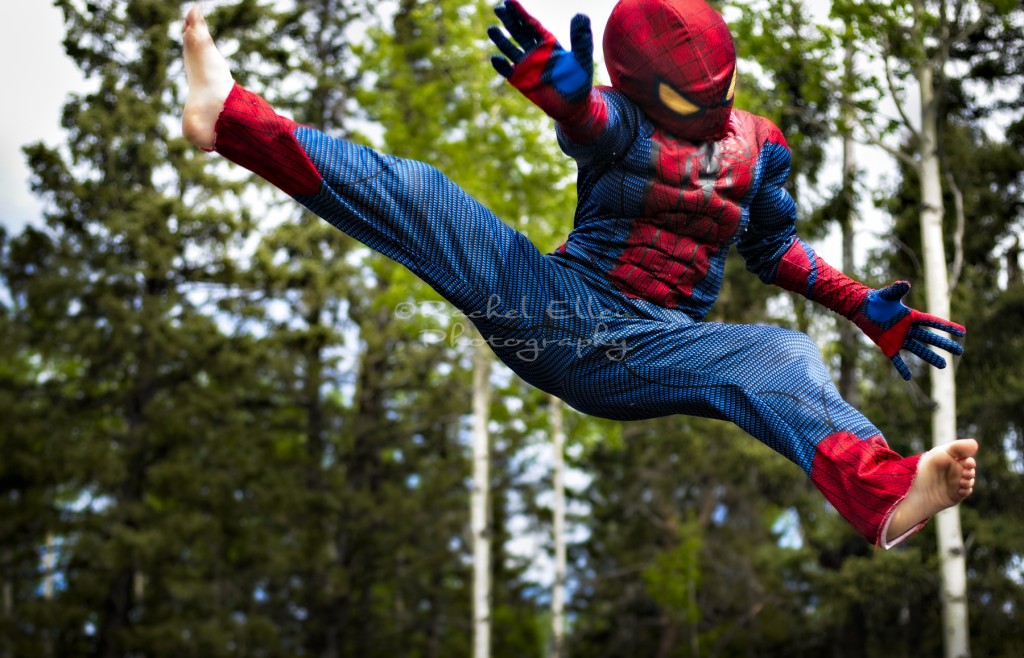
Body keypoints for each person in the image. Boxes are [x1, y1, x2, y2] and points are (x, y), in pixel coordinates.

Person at [181, 0, 977, 547]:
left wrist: (865, 308)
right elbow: (593, 125)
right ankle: (232, 119)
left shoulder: (761, 147)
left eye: (715, 98)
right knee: (423, 195)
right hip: (557, 314)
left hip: (657, 350)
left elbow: (774, 250)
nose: (705, 118)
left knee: (784, 357)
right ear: (641, 91)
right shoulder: (619, 120)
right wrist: (567, 105)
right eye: (681, 104)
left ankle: (885, 496)